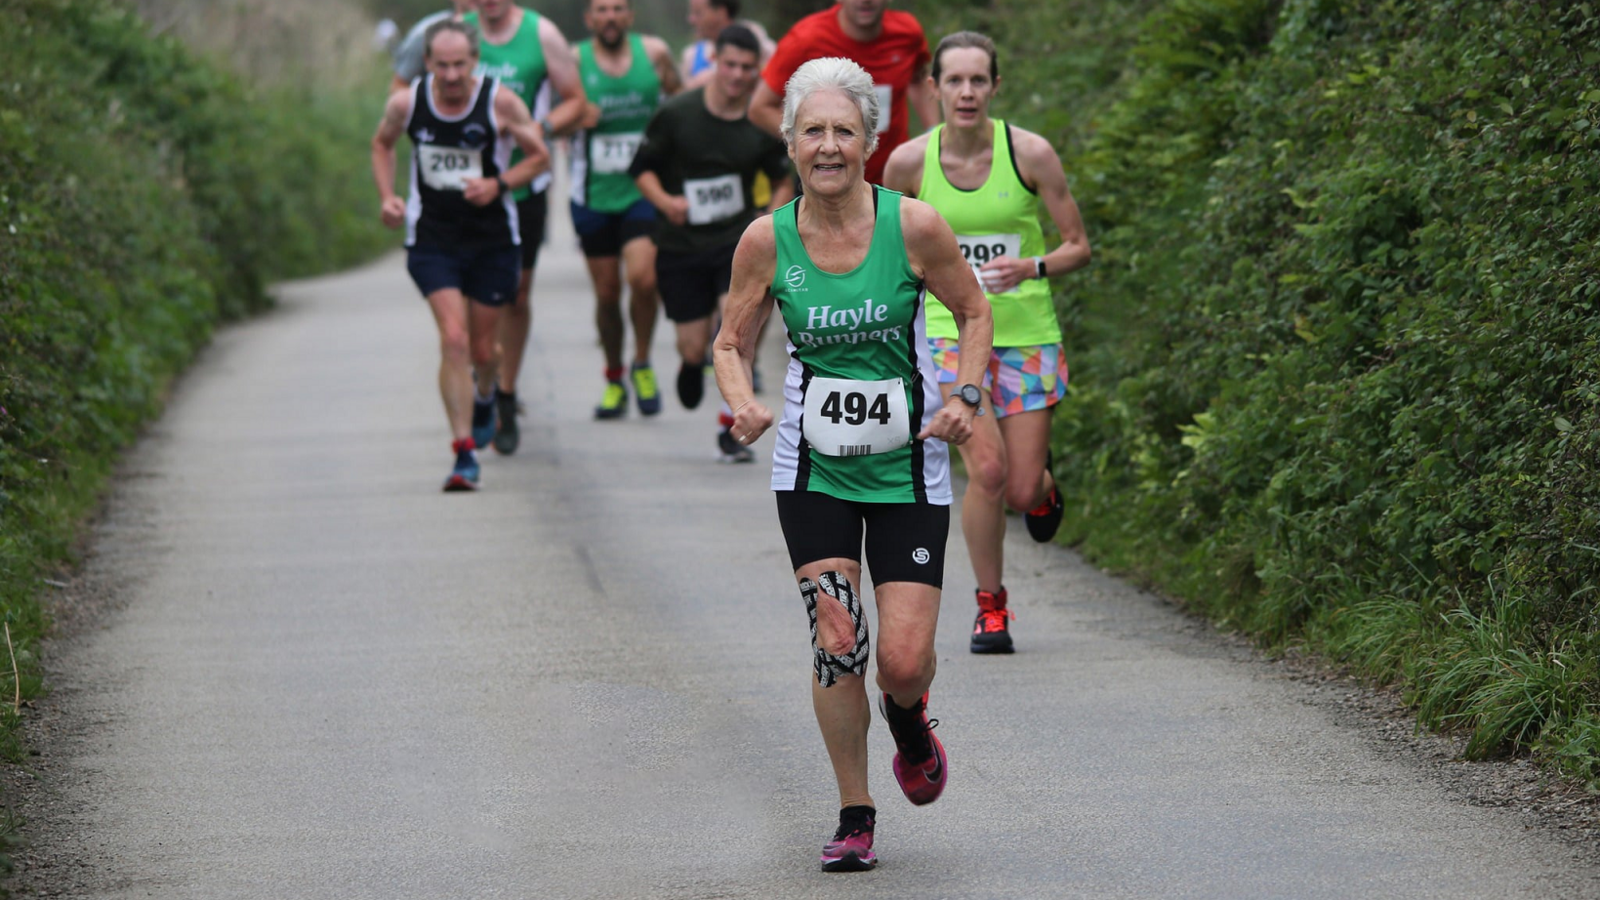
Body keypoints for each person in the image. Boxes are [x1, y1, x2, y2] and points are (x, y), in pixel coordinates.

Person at [713, 57, 993, 872]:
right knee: (838, 637)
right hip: (814, 465)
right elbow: (732, 341)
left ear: (870, 140)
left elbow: (973, 310)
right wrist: (745, 402)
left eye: (844, 130)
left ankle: (909, 719)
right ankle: (855, 813)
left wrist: (966, 399)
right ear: (790, 144)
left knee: (901, 661)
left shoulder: (914, 226)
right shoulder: (768, 240)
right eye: (813, 132)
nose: (828, 146)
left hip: (908, 466)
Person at [883, 31, 1091, 653]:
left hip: (1027, 337)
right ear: (935, 89)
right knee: (989, 472)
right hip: (950, 336)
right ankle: (990, 607)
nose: (967, 92)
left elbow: (1078, 245)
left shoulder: (1030, 153)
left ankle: (1045, 489)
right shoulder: (908, 165)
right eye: (955, 81)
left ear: (996, 87)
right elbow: (888, 253)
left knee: (1023, 489)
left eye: (979, 81)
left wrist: (1034, 267)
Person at [371, 20, 550, 491]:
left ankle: (487, 391)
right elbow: (381, 144)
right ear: (426, 64)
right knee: (453, 338)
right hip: (432, 239)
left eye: (459, 65)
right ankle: (464, 453)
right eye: (441, 65)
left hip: (492, 240)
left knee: (482, 350)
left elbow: (539, 157)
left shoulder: (500, 103)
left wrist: (498, 184)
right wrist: (388, 195)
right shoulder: (407, 103)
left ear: (474, 62)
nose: (450, 75)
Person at [631, 25, 793, 462]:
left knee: (735, 328)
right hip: (681, 243)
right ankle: (690, 364)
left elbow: (785, 177)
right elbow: (641, 167)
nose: (739, 76)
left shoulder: (761, 119)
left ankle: (731, 421)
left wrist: (770, 216)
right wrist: (667, 202)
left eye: (748, 68)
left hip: (735, 241)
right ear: (714, 63)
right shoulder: (679, 113)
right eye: (731, 65)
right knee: (693, 343)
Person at [463, 0, 588, 454]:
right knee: (472, 299)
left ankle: (506, 394)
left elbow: (576, 101)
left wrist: (537, 127)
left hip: (523, 187)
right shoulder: (460, 35)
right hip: (469, 185)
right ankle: (484, 379)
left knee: (515, 293)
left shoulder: (542, 35)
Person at [570, 0, 683, 419]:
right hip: (592, 193)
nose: (610, 17)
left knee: (644, 279)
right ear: (590, 19)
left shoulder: (653, 53)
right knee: (606, 294)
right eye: (602, 10)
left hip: (643, 189)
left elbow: (681, 100)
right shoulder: (573, 59)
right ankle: (614, 376)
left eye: (618, 9)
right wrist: (575, 117)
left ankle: (642, 362)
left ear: (629, 17)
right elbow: (550, 115)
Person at [748, 0, 937, 186]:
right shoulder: (806, 39)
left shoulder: (907, 33)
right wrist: (807, 140)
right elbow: (760, 107)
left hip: (892, 180)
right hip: (826, 182)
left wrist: (934, 135)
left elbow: (919, 78)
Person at [679, 0, 776, 90]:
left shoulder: (754, 37)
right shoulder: (691, 54)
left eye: (698, 13)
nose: (691, 20)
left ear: (721, 13)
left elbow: (776, 73)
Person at [390, 0, 478, 92]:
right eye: (442, 65)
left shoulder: (493, 36)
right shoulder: (427, 32)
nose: (452, 76)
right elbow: (399, 85)